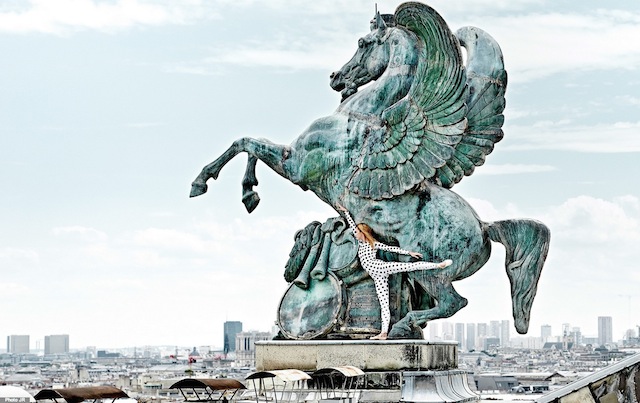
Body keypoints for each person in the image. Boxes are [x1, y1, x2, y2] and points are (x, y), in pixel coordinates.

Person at [336, 202, 452, 340]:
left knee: (409, 266)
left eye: (358, 233)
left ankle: (438, 265)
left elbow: (392, 249)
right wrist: (345, 211)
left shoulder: (373, 244)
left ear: (363, 233)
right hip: (377, 276)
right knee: (383, 303)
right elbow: (351, 224)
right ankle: (383, 333)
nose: (355, 234)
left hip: (379, 267)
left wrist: (409, 253)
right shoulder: (362, 242)